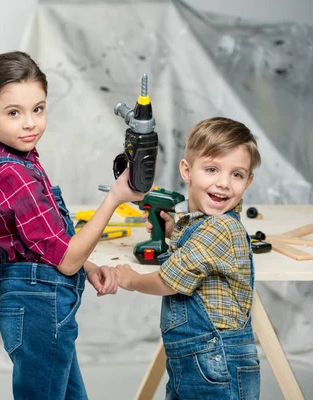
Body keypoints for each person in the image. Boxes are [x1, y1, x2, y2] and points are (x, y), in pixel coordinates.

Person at [0, 51, 145, 399]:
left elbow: (45, 245)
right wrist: (114, 198)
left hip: (42, 306)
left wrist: (89, 265)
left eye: (38, 109)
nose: (30, 123)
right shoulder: (14, 175)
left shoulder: (14, 160)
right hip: (40, 310)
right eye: (14, 113)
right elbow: (65, 260)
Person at [116, 117, 262, 400]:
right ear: (187, 170)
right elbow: (199, 257)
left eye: (237, 174)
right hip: (195, 361)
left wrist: (132, 280)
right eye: (211, 169)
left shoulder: (220, 227)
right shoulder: (204, 225)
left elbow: (170, 281)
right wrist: (173, 233)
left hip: (218, 362)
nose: (223, 183)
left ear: (248, 181)